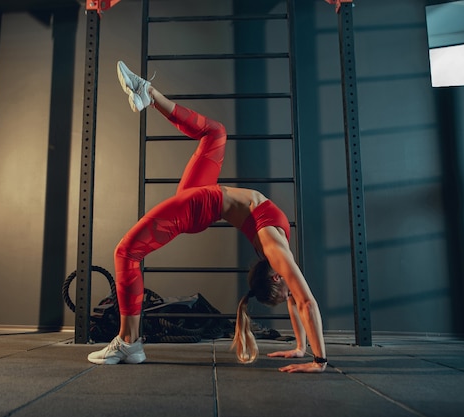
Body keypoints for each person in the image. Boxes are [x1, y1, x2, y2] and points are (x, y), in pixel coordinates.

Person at [87, 61, 327, 373]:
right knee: (216, 132)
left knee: (126, 252)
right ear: (277, 277)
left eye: (283, 297)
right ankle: (148, 93)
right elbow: (302, 301)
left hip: (203, 204)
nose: (289, 298)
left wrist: (311, 355)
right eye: (285, 296)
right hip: (204, 197)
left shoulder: (274, 249)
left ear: (275, 276)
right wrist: (306, 353)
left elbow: (299, 300)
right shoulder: (276, 250)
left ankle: (129, 342)